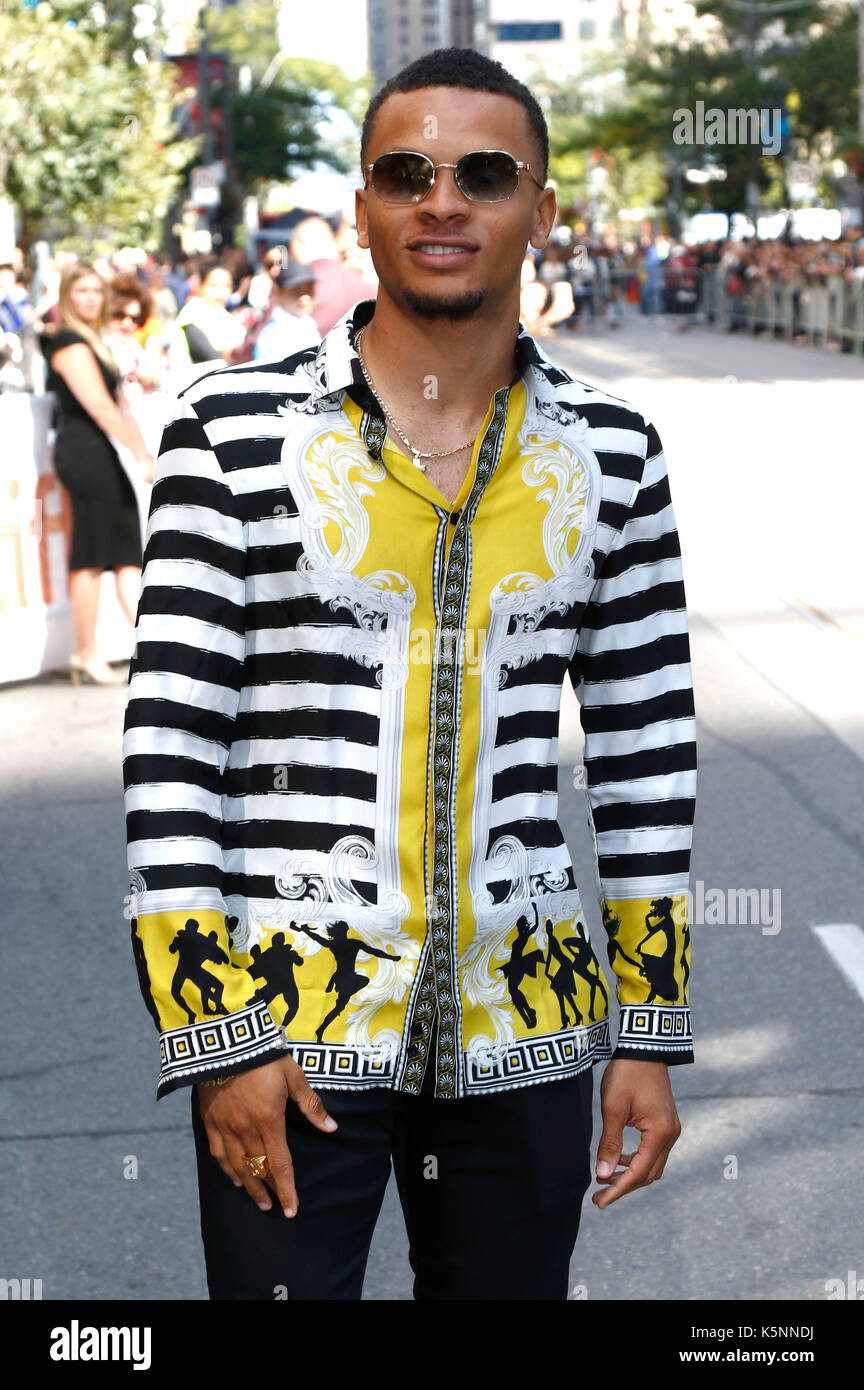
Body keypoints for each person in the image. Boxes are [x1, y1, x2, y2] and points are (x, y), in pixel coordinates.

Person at [123, 47, 696, 1301]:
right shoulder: (230, 429)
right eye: (405, 173)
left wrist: (647, 1035)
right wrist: (217, 1041)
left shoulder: (613, 450)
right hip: (289, 1031)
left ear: (542, 210)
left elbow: (648, 757)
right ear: (366, 204)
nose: (443, 201)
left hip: (528, 1023)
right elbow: (170, 754)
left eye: (484, 173)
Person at [40, 262, 154, 686]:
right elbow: (102, 408)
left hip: (105, 453)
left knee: (127, 554)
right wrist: (139, 453)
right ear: (67, 296)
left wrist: (143, 450)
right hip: (85, 454)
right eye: (81, 290)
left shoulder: (97, 342)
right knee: (90, 554)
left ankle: (151, 646)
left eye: (95, 290)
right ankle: (85, 652)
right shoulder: (69, 342)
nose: (90, 298)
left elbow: (121, 405)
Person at [171, 257, 246, 385]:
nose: (221, 292)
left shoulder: (226, 315)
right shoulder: (191, 313)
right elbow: (210, 357)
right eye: (213, 285)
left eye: (227, 286)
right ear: (200, 285)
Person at [252, 259, 320, 361]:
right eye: (296, 290)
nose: (304, 297)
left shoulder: (308, 324)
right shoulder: (273, 334)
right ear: (279, 292)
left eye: (309, 289)